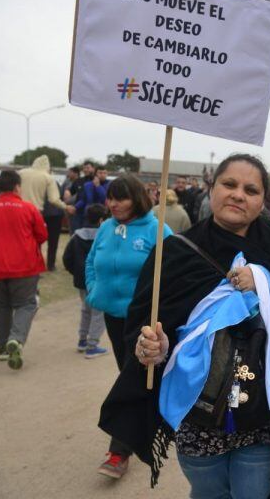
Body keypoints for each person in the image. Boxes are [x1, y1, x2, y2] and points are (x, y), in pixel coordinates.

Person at [100, 154, 270, 498]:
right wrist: (153, 348)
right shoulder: (175, 253)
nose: (238, 194)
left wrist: (267, 278)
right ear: (212, 187)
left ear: (263, 200)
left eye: (251, 189)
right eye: (229, 184)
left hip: (263, 417)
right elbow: (144, 320)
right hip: (198, 416)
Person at [85, 174, 174, 479]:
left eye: (119, 198)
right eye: (109, 197)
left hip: (144, 320)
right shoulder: (107, 228)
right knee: (128, 371)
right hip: (112, 314)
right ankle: (150, 421)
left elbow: (176, 270)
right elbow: (90, 261)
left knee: (129, 376)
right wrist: (94, 289)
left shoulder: (157, 229)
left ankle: (118, 451)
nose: (112, 204)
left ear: (136, 198)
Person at [0, 170, 48, 369]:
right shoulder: (28, 208)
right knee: (27, 304)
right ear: (18, 186)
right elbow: (42, 235)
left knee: (0, 308)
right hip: (24, 267)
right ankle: (16, 339)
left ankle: (2, 349)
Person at [63, 203, 109, 358]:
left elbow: (66, 258)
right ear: (102, 219)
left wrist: (76, 272)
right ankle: (92, 345)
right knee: (98, 313)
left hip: (82, 280)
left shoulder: (76, 236)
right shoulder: (106, 236)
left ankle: (82, 340)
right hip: (100, 280)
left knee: (86, 309)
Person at [18, 155, 67, 271]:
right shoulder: (50, 179)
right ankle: (50, 265)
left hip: (30, 212)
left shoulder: (21, 173)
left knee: (32, 242)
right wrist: (66, 207)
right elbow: (55, 199)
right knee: (52, 242)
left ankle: (33, 264)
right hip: (49, 214)